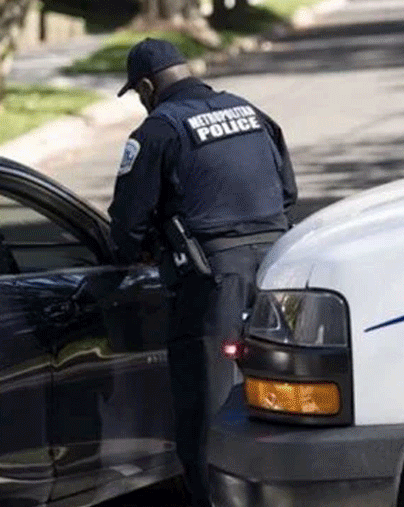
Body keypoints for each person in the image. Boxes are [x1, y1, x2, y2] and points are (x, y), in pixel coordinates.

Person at [107, 37, 296, 507]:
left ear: (149, 86)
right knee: (283, 393)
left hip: (212, 282)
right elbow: (287, 191)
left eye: (139, 92)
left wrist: (144, 249)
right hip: (281, 269)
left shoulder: (156, 132)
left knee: (205, 411)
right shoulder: (251, 113)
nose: (142, 101)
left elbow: (126, 226)